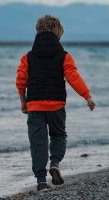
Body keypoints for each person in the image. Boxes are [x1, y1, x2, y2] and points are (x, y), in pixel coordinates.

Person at [16, 15, 96, 192]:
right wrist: (87, 96)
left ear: (37, 32)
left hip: (35, 105)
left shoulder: (27, 57)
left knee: (38, 141)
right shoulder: (64, 56)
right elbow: (73, 77)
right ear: (58, 34)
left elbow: (21, 80)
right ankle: (55, 162)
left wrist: (23, 101)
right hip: (56, 105)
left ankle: (41, 182)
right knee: (58, 135)